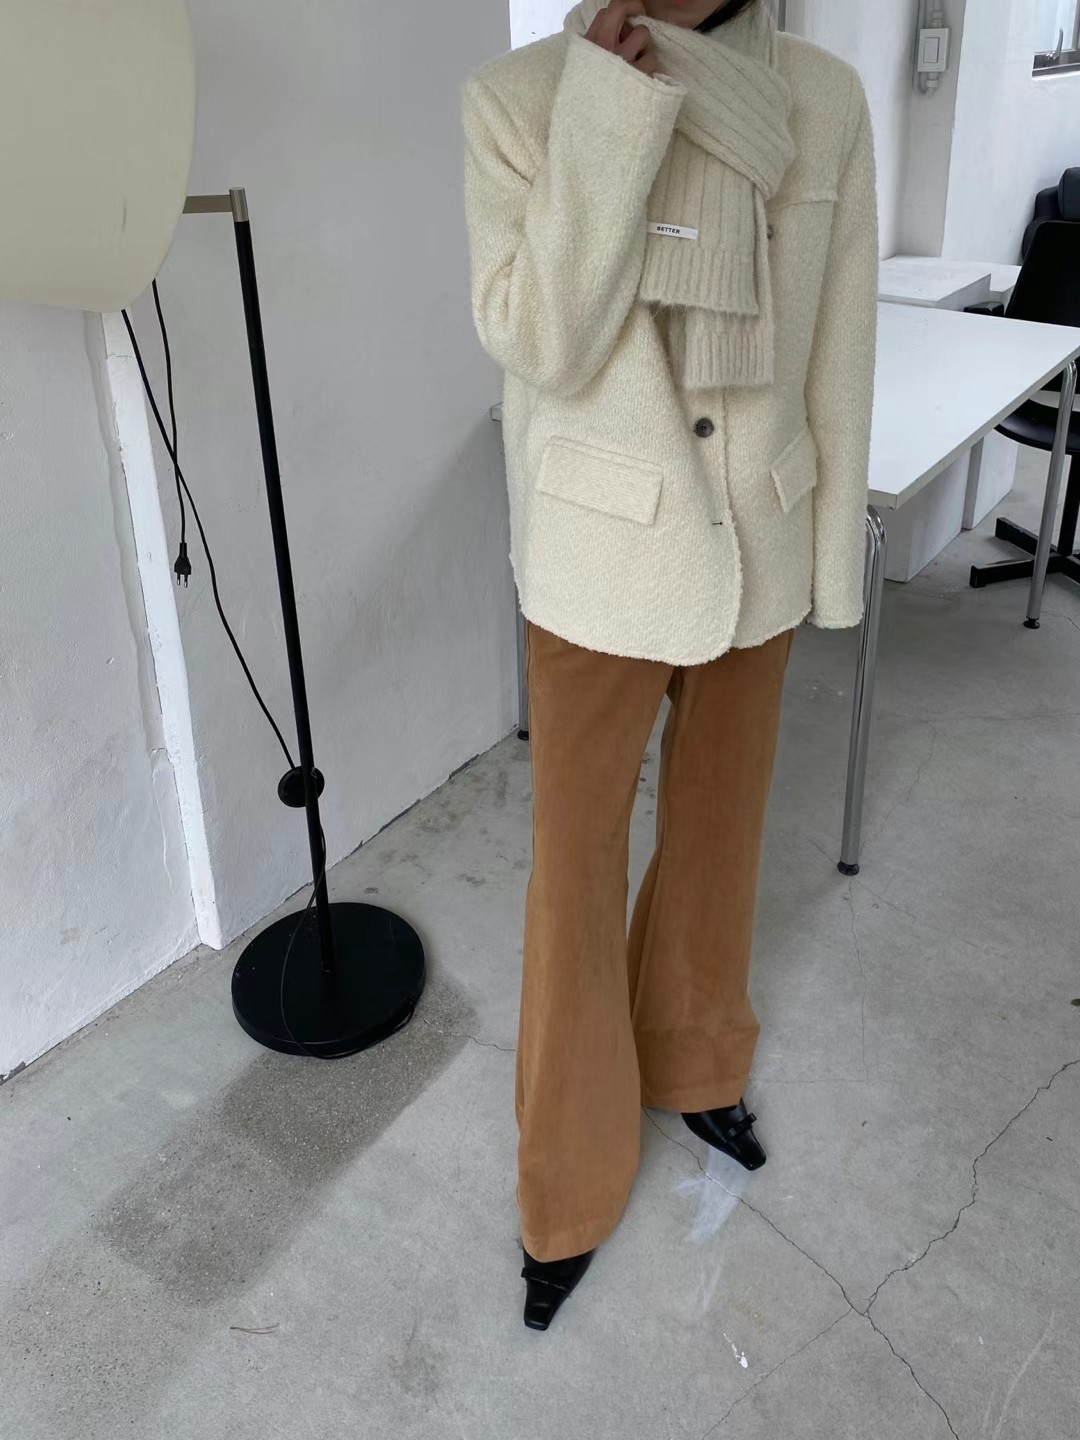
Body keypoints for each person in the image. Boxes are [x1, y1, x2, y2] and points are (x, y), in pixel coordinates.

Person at [459, 0, 878, 1330]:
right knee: (573, 873)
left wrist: (833, 562)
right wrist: (603, 117)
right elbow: (537, 338)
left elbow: (842, 344)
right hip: (598, 558)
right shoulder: (520, 101)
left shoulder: (824, 98)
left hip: (761, 530)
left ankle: (694, 1061)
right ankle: (567, 1182)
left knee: (718, 834)